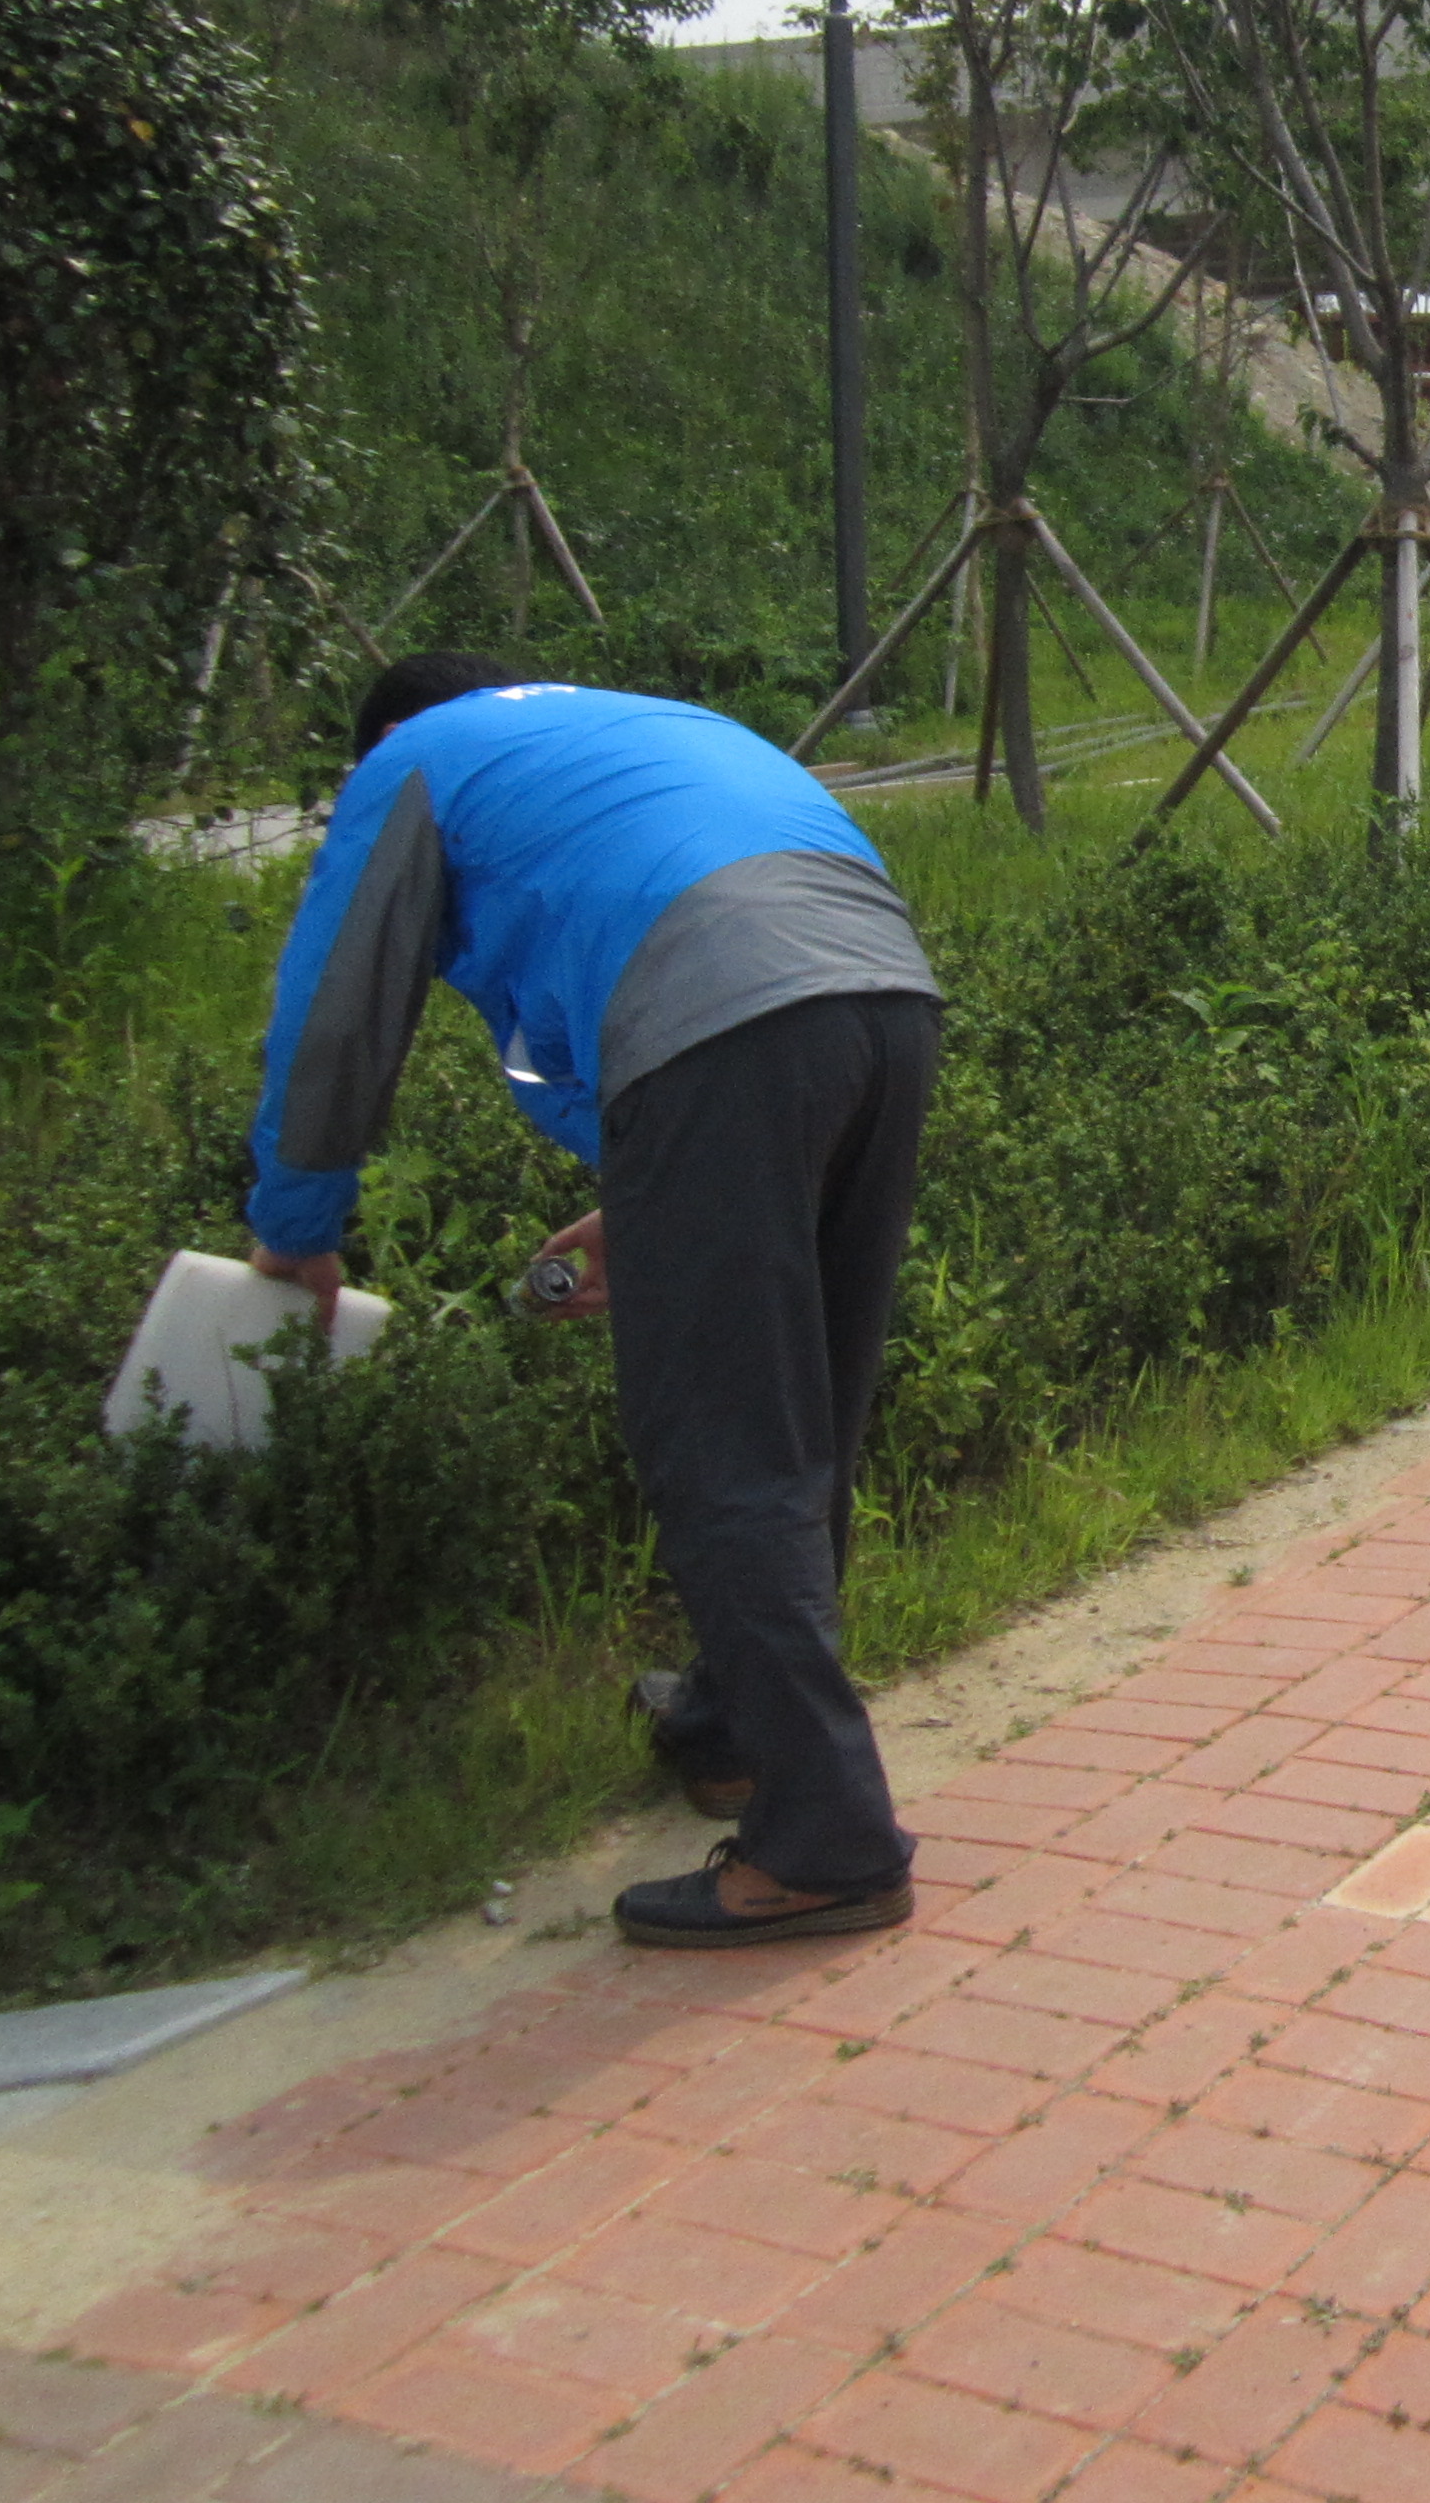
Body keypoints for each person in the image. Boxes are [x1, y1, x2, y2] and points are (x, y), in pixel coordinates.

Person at [246, 653, 944, 1944]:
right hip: (885, 1000)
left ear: (387, 735)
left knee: (724, 1443)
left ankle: (826, 1840)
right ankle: (734, 1731)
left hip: (725, 1019)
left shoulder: (413, 761)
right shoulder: (632, 729)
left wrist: (295, 1228)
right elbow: (629, 966)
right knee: (805, 1413)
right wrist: (649, 1191)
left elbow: (338, 1006)